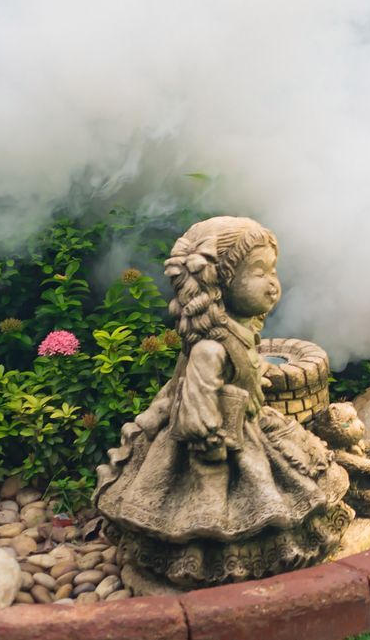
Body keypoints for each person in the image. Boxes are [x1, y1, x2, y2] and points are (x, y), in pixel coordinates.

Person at [94, 216, 353, 590]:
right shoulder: (209, 348)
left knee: (284, 476)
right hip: (214, 445)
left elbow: (241, 368)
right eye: (258, 273)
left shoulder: (235, 332)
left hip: (246, 423)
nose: (273, 284)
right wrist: (209, 439)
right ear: (220, 283)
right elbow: (193, 403)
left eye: (273, 271)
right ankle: (212, 563)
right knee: (224, 503)